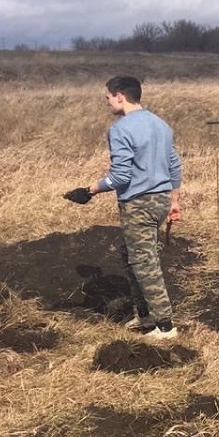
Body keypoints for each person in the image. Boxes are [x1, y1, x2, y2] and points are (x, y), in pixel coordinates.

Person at [64, 76, 183, 340]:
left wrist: (89, 191)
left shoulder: (120, 129)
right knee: (130, 254)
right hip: (161, 200)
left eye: (107, 98)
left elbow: (120, 177)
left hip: (139, 203)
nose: (107, 103)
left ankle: (165, 326)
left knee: (144, 261)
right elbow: (174, 165)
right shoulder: (160, 124)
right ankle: (145, 313)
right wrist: (174, 200)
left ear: (120, 95)